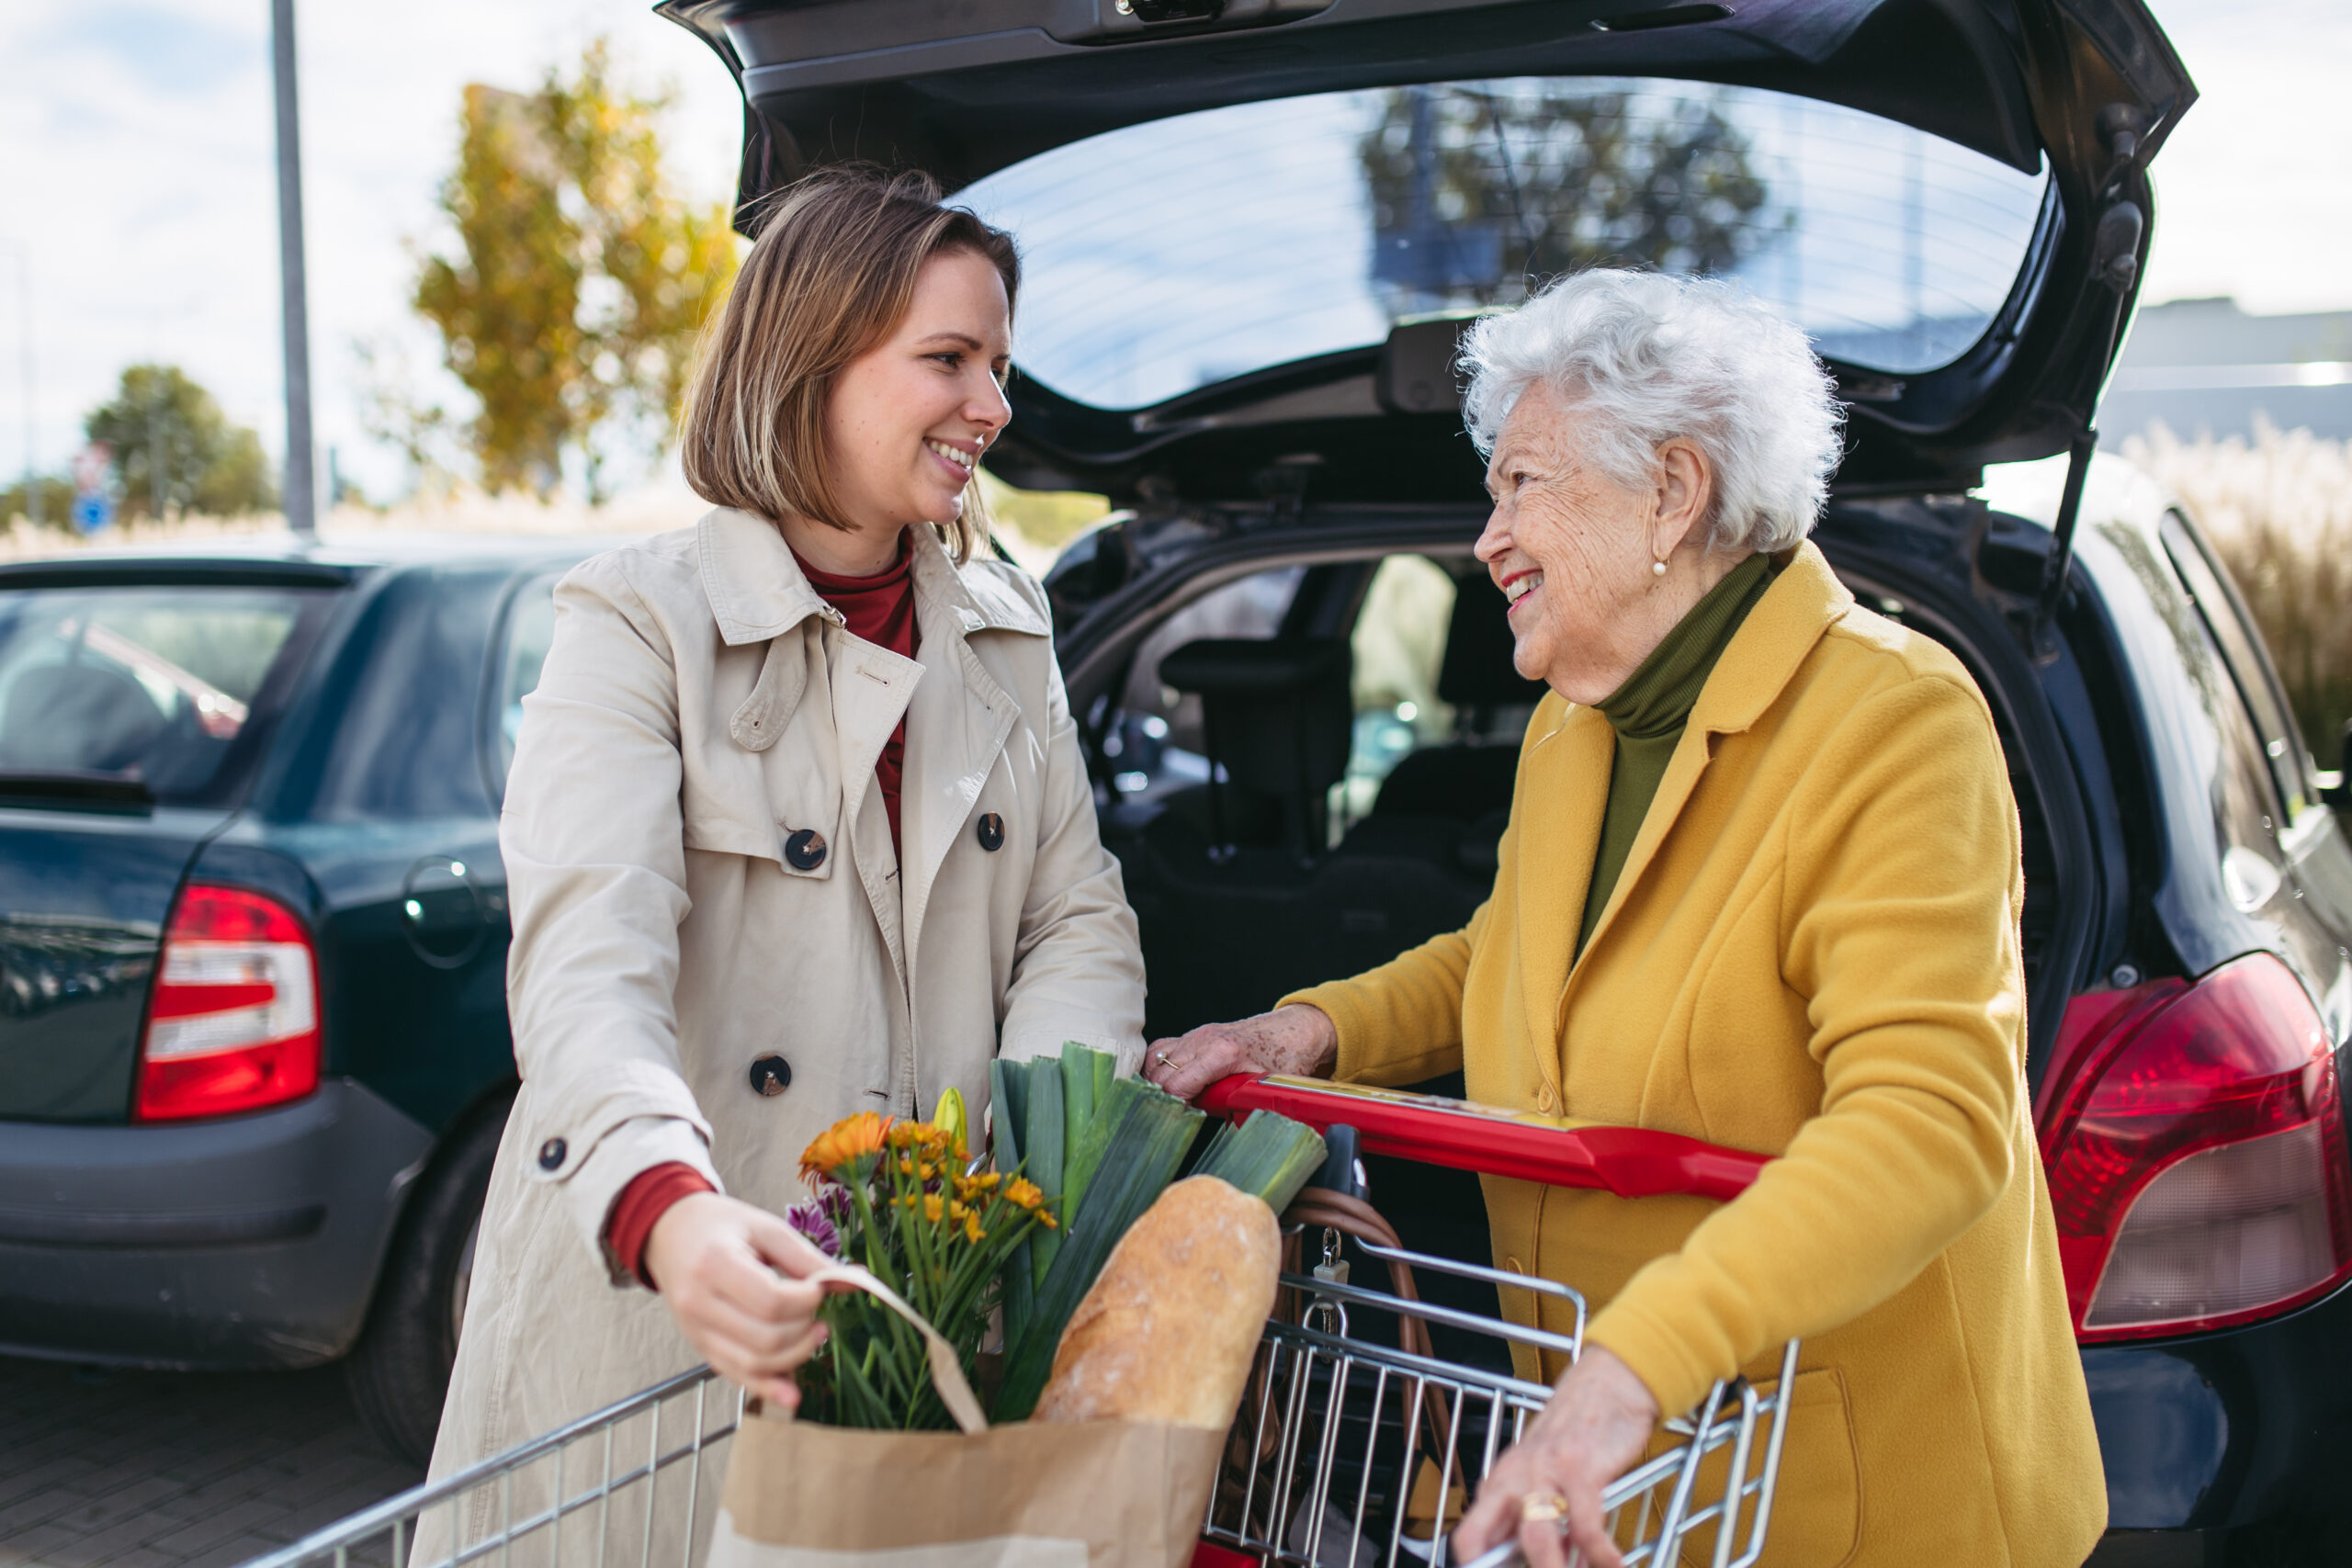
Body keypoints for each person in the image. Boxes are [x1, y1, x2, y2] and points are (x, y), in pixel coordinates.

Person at [1146, 269, 2104, 1568]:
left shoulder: (1893, 718)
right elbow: (1514, 954)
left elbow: (1930, 1122)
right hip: (1637, 1469)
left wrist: (1628, 1367)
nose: (1487, 538)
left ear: (1673, 489)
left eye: (1523, 485)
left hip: (1853, 1489)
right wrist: (1309, 1031)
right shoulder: (1577, 725)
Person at [422, 168, 1146, 1558]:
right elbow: (589, 958)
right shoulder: (634, 621)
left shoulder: (1008, 627)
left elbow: (1072, 921)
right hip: (656, 1322)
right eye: (948, 359)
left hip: (916, 1322)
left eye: (998, 365)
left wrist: (1037, 1192)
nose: (992, 407)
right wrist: (666, 1210)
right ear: (810, 355)